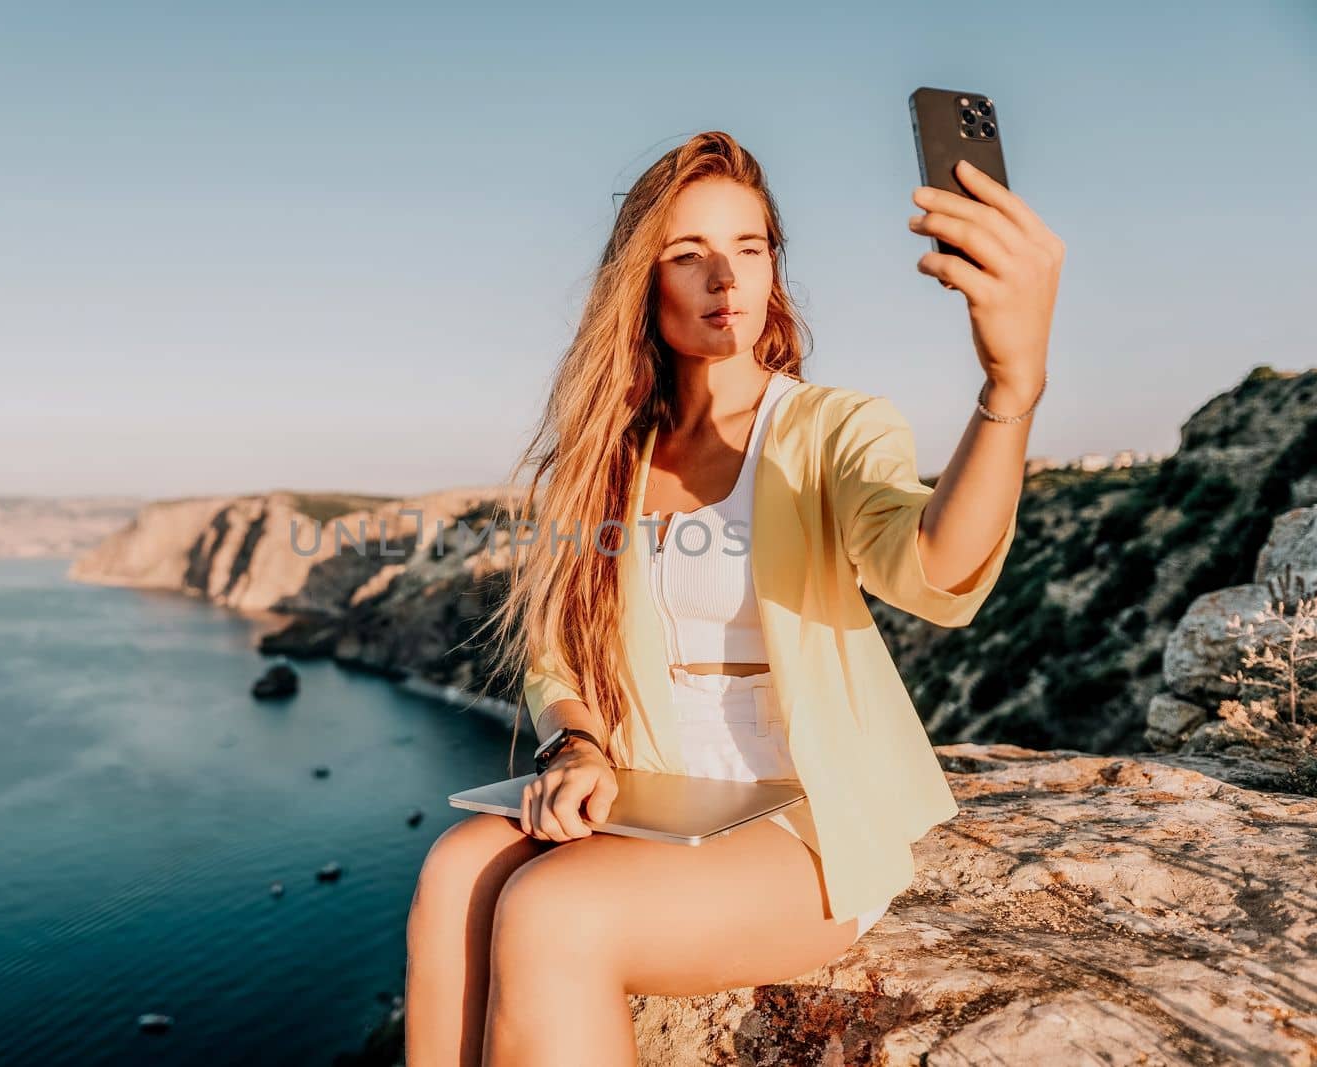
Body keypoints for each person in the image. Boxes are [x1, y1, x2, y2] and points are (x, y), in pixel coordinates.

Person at [405, 130, 1061, 1066]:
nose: (727, 277)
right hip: (657, 793)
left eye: (750, 248)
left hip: (805, 813)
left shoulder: (833, 426)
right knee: (453, 873)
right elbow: (556, 654)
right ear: (640, 283)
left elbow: (934, 568)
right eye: (689, 254)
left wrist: (1012, 385)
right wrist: (579, 741)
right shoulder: (604, 460)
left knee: (554, 912)